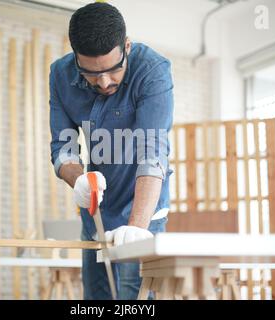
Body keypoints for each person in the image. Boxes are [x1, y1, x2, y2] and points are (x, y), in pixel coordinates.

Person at [49, 2, 174, 300]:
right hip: (97, 213)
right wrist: (78, 179)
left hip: (144, 212)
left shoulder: (152, 70)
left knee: (137, 299)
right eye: (91, 74)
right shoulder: (60, 75)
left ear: (126, 46)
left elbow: (152, 153)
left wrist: (138, 228)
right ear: (76, 57)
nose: (104, 82)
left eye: (112, 70)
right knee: (97, 299)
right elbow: (62, 149)